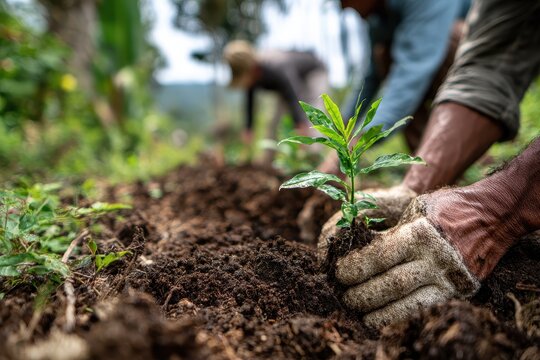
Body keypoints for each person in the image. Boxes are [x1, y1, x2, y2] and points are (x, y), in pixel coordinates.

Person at [319, 0, 540, 328]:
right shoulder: (377, 20)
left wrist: (499, 207)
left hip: (443, 50)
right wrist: (413, 186)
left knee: (447, 42)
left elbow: (410, 74)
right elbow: (487, 65)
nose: (345, 8)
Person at [318, 0, 471, 174]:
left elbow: (409, 78)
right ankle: (429, 166)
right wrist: (340, 128)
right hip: (423, 67)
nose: (343, 7)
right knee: (384, 54)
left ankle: (460, 156)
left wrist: (356, 146)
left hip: (481, 72)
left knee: (451, 37)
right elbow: (370, 79)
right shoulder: (377, 18)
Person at [223, 40, 328, 163]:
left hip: (312, 73)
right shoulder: (251, 76)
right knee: (274, 122)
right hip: (288, 85)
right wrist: (248, 128)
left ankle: (313, 161)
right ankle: (267, 162)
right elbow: (250, 100)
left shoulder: (275, 67)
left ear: (251, 68)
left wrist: (301, 124)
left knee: (313, 118)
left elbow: (294, 95)